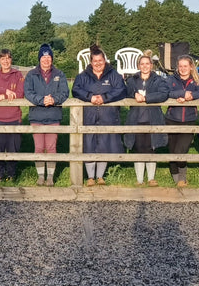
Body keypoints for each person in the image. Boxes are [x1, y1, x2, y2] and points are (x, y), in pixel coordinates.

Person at [72, 45, 125, 185]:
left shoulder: (114, 75)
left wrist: (105, 97)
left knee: (104, 144)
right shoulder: (83, 76)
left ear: (105, 60)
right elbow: (76, 89)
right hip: (89, 116)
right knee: (89, 144)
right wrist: (90, 97)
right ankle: (90, 177)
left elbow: (121, 90)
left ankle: (100, 176)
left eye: (100, 61)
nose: (98, 63)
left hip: (107, 115)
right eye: (95, 61)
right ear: (91, 62)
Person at [24, 44, 69, 186]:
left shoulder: (59, 74)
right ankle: (40, 176)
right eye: (43, 57)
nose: (46, 60)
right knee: (38, 147)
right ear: (39, 59)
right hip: (36, 115)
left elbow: (64, 92)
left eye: (48, 57)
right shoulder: (31, 74)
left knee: (51, 147)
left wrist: (54, 100)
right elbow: (28, 92)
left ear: (52, 59)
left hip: (53, 115)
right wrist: (41, 100)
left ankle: (50, 176)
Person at [123, 53, 170, 186]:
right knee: (138, 147)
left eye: (147, 64)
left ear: (151, 65)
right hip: (136, 118)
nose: (145, 66)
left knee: (151, 147)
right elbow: (126, 91)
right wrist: (134, 94)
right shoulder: (132, 80)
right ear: (139, 66)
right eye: (142, 64)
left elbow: (163, 93)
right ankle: (139, 179)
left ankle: (151, 178)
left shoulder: (158, 80)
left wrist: (146, 98)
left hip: (153, 118)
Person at [0, 49, 25, 183]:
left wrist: (1, 96)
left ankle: (12, 174)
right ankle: (0, 174)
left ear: (11, 59)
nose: (5, 61)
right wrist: (4, 90)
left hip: (13, 117)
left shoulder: (18, 75)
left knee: (13, 148)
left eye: (8, 58)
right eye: (3, 58)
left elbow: (20, 93)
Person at [165, 55, 199, 188]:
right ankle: (177, 178)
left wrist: (191, 96)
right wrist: (181, 94)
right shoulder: (171, 79)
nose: (182, 69)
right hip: (172, 119)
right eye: (180, 66)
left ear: (191, 67)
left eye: (185, 66)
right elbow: (167, 92)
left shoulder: (196, 80)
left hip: (189, 119)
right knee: (171, 149)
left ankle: (182, 177)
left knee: (181, 149)